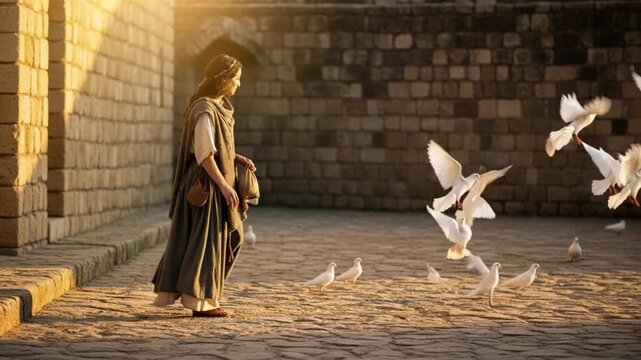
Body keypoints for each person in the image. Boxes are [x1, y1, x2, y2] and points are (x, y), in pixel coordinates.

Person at [152, 54, 256, 317]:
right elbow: (204, 154)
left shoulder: (217, 107)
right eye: (236, 79)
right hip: (205, 185)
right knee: (205, 242)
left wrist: (234, 157)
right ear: (223, 80)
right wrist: (223, 185)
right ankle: (200, 301)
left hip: (214, 180)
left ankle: (204, 297)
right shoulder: (204, 109)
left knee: (221, 239)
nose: (238, 85)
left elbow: (214, 146)